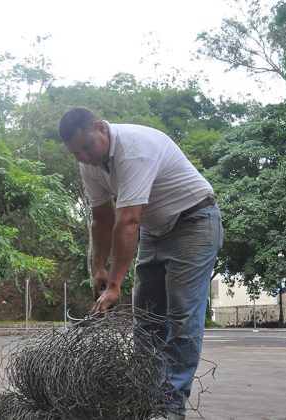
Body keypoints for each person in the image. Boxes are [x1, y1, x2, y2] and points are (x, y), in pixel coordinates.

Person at [58, 107, 222, 419]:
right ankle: (145, 396)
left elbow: (128, 220)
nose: (83, 157)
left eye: (87, 147)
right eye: (75, 152)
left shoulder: (134, 149)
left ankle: (169, 407)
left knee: (182, 317)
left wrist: (116, 285)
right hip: (154, 227)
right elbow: (101, 219)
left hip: (194, 222)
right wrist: (99, 269)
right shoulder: (90, 163)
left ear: (100, 128)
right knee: (146, 319)